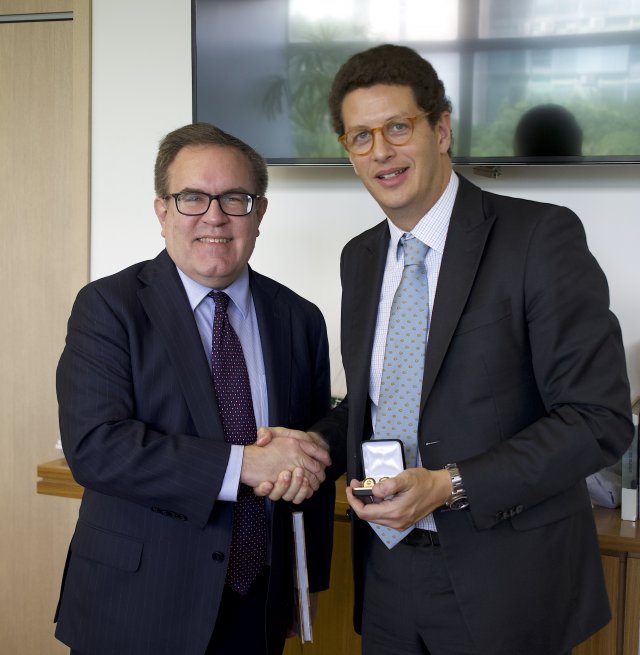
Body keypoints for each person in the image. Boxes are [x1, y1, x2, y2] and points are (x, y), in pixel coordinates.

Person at [263, 44, 633, 655]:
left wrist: (451, 484)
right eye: (360, 136)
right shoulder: (360, 258)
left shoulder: (539, 237)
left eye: (398, 127)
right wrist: (313, 444)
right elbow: (376, 401)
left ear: (441, 129)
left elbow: (598, 419)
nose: (381, 150)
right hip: (386, 575)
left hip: (506, 582)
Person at [54, 122, 334, 655]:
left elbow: (307, 453)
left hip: (259, 602)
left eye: (234, 198)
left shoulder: (300, 318)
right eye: (191, 198)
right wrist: (242, 464)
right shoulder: (109, 307)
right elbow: (95, 447)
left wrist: (305, 580)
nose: (214, 216)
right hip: (137, 605)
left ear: (260, 212)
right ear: (162, 211)